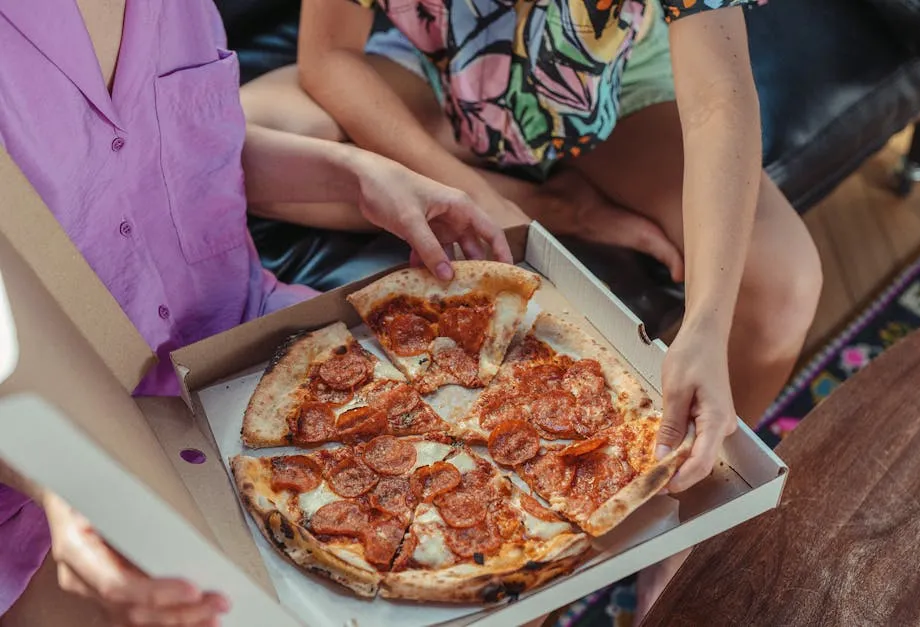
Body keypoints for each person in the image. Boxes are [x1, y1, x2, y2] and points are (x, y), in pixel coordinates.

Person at [238, 0, 823, 617]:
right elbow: (329, 56)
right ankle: (558, 204)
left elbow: (717, 99)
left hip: (615, 89)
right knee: (233, 141)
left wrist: (706, 320)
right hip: (437, 77)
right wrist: (495, 205)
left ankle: (683, 517)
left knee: (783, 287)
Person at [0, 1, 511, 625]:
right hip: (51, 467)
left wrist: (356, 175)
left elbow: (184, 157)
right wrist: (64, 493)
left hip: (253, 343)